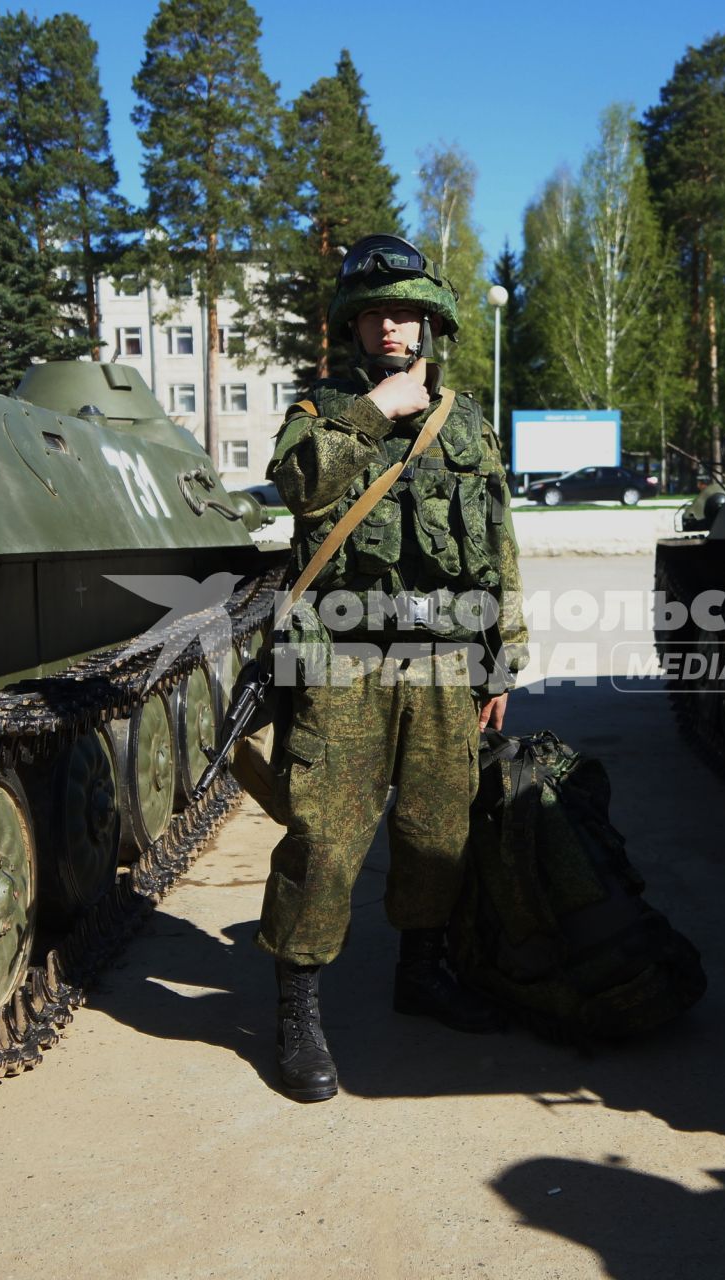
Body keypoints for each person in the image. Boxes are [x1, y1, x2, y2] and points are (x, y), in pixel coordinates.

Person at [256, 233, 528, 1102]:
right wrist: (379, 410)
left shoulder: (469, 424)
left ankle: (423, 971)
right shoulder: (321, 413)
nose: (392, 328)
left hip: (445, 663)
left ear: (431, 321)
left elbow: (498, 547)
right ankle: (298, 1014)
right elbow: (297, 485)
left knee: (437, 833)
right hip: (342, 663)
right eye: (376, 313)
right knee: (324, 840)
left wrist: (501, 663)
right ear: (353, 326)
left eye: (406, 312)